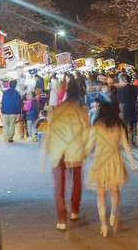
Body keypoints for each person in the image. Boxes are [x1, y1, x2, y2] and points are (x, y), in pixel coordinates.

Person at [85, 100, 137, 237]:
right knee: (115, 190)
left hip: (100, 161)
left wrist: (82, 157)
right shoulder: (118, 125)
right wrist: (132, 164)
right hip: (115, 160)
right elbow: (126, 146)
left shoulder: (96, 125)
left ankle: (103, 225)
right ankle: (113, 216)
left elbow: (89, 145)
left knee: (100, 193)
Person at [43, 80, 90, 231]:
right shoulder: (81, 112)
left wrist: (48, 151)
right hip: (75, 150)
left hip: (57, 151)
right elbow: (87, 134)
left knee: (59, 186)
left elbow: (49, 133)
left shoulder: (56, 111)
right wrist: (85, 152)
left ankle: (61, 220)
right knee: (76, 181)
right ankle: (74, 211)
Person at [118, 74, 138, 145]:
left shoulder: (120, 89)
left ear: (124, 80)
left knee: (124, 124)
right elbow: (135, 98)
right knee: (132, 124)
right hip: (132, 106)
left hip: (123, 107)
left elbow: (119, 99)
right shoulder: (133, 88)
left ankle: (126, 140)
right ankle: (132, 139)